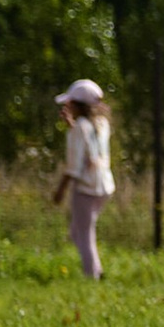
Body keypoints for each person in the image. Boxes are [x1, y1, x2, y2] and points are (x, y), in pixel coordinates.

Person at [51, 76, 114, 282]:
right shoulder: (102, 124)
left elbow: (74, 165)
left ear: (78, 105)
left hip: (86, 187)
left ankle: (93, 275)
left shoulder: (80, 128)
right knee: (78, 231)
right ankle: (96, 270)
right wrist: (73, 128)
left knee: (83, 235)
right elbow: (89, 145)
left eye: (71, 103)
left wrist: (61, 189)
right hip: (104, 185)